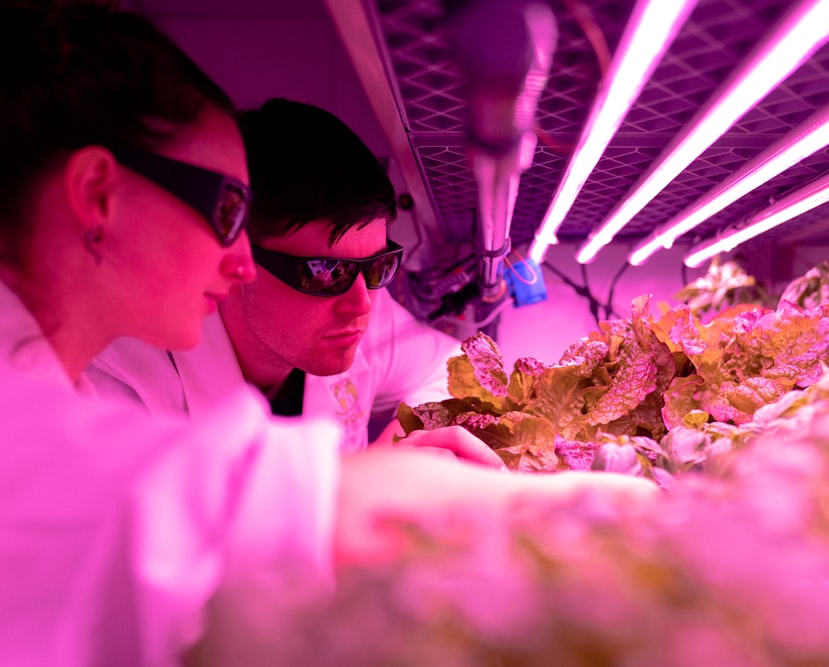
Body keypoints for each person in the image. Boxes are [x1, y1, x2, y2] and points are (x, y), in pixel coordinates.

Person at [0, 3, 653, 664]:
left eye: (376, 268)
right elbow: (223, 513)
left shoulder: (39, 370)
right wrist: (619, 507)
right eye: (225, 209)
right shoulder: (60, 414)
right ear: (97, 193)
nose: (238, 261)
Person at [86, 98, 484, 459]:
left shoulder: (361, 305)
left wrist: (406, 443)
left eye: (377, 266)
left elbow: (454, 370)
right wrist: (359, 489)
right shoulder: (120, 380)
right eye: (325, 272)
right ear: (236, 261)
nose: (361, 305)